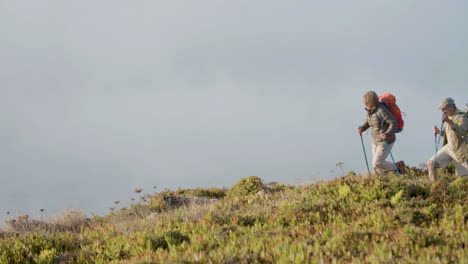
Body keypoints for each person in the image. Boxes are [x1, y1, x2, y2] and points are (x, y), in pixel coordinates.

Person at [357, 91, 406, 175]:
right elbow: (369, 121)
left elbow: (393, 122)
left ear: (371, 102)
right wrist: (363, 128)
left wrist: (387, 134)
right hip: (375, 141)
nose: (365, 105)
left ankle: (398, 167)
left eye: (366, 103)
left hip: (385, 141)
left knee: (376, 163)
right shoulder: (370, 110)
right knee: (376, 166)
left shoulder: (382, 110)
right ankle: (380, 181)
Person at [427, 97, 468, 180]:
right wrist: (439, 132)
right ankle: (435, 189)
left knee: (463, 178)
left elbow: (462, 132)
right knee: (431, 163)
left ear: (451, 106)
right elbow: (449, 135)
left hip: (460, 150)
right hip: (449, 147)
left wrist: (449, 121)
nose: (442, 111)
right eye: (441, 109)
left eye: (444, 108)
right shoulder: (447, 117)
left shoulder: (462, 116)